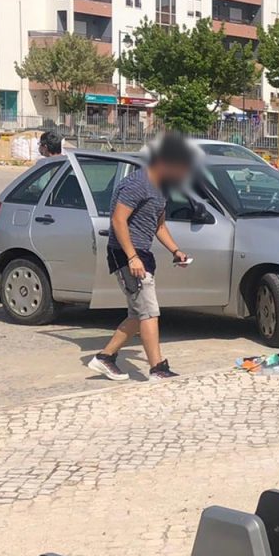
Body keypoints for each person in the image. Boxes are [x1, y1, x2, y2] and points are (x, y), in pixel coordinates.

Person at [87, 133, 193, 382]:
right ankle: (158, 368)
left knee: (138, 314)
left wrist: (176, 251)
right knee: (149, 312)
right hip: (126, 254)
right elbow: (118, 220)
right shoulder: (137, 184)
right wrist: (132, 257)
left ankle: (105, 358)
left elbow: (159, 226)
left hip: (142, 253)